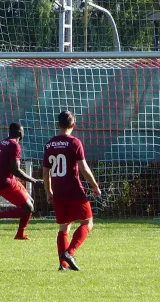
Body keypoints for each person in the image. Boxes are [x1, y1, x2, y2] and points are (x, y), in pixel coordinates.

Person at [43, 111, 101, 271]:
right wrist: (94, 185)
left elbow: (45, 171)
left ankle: (63, 265)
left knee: (64, 227)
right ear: (73, 125)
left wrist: (48, 191)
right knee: (88, 223)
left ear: (57, 125)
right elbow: (83, 168)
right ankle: (69, 252)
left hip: (58, 191)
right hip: (74, 190)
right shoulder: (74, 142)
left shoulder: (49, 144)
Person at [0, 123, 43, 240]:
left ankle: (20, 234)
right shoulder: (15, 145)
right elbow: (16, 170)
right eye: (23, 131)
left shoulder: (3, 142)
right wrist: (33, 180)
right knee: (28, 208)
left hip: (3, 178)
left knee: (30, 203)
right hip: (5, 182)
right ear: (19, 133)